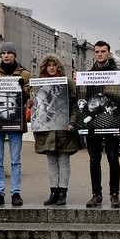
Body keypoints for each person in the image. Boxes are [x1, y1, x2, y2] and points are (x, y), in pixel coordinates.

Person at [85, 40, 120, 209]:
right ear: (94, 54)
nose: (100, 54)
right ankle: (96, 194)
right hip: (93, 124)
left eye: (103, 51)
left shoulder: (119, 74)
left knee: (113, 159)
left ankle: (114, 194)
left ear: (109, 53)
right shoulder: (88, 75)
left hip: (113, 121)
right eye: (97, 52)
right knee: (94, 160)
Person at [0, 42, 31, 207]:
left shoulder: (25, 74)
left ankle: (16, 193)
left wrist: (23, 89)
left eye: (9, 53)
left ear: (14, 55)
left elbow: (30, 95)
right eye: (3, 53)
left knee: (15, 160)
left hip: (15, 121)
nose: (6, 55)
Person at [34, 53, 78, 206]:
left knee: (64, 161)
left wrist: (72, 124)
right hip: (47, 129)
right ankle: (53, 191)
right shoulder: (40, 84)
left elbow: (75, 106)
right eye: (49, 65)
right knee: (51, 161)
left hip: (64, 129)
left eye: (54, 65)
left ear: (59, 66)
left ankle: (62, 192)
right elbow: (37, 107)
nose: (51, 68)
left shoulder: (68, 83)